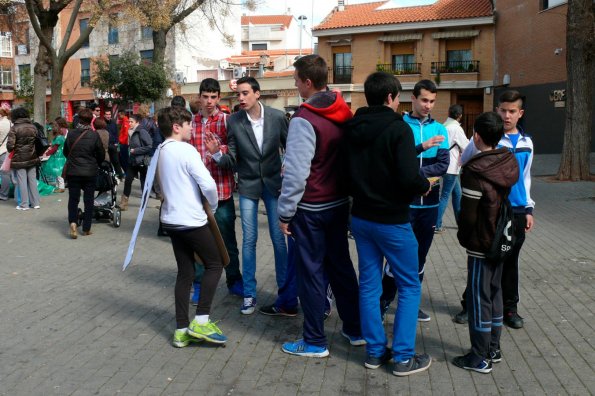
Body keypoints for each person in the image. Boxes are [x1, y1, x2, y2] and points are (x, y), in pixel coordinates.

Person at [345, 71, 433, 375]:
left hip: (361, 218)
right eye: (398, 98)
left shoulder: (351, 127)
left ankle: (374, 351)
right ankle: (403, 357)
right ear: (390, 97)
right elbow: (410, 177)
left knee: (369, 285)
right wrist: (424, 186)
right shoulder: (399, 130)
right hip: (393, 221)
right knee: (409, 285)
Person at [277, 54, 363, 357]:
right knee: (341, 267)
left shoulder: (304, 119)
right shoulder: (344, 111)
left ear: (308, 82)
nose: (296, 85)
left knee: (311, 273)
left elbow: (297, 173)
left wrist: (285, 212)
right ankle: (355, 329)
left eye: (297, 80)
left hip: (311, 208)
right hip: (339, 204)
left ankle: (314, 341)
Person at [454, 90, 535, 329]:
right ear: (497, 110)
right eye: (503, 110)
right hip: (490, 211)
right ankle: (470, 305)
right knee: (484, 260)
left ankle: (510, 309)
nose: (507, 116)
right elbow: (464, 163)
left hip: (518, 211)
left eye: (512, 111)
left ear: (520, 113)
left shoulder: (527, 142)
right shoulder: (486, 139)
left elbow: (527, 178)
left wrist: (529, 208)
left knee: (510, 262)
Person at [211, 76, 289, 315]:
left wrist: (287, 166)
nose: (241, 98)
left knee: (278, 239)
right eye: (239, 95)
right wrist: (216, 155)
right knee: (249, 239)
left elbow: (291, 146)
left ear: (257, 93)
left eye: (245, 93)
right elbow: (232, 157)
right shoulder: (234, 121)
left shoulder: (277, 117)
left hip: (274, 185)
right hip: (247, 185)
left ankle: (285, 294)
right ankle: (249, 294)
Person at [452, 112, 519, 373]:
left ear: (476, 136)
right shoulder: (507, 161)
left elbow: (468, 215)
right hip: (501, 238)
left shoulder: (474, 170)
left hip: (481, 242)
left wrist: (463, 238)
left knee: (479, 299)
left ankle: (479, 357)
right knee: (495, 293)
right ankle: (494, 347)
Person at [156, 106, 227, 348]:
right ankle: (202, 320)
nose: (191, 128)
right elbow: (207, 183)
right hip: (191, 219)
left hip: (171, 220)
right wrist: (213, 205)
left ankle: (181, 330)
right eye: (188, 124)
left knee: (185, 272)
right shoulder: (186, 150)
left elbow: (157, 186)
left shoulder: (161, 150)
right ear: (176, 127)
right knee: (215, 264)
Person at [379, 79, 449, 322]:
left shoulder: (440, 129)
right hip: (403, 204)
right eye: (424, 100)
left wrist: (411, 174)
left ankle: (410, 303)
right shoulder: (400, 125)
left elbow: (443, 164)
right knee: (396, 257)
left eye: (432, 101)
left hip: (429, 205)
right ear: (413, 99)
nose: (428, 105)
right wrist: (412, 172)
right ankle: (385, 300)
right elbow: (392, 162)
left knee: (420, 257)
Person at [188, 78, 244, 305]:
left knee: (227, 240)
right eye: (205, 97)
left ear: (219, 98)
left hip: (222, 192)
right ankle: (199, 284)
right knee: (200, 243)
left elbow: (234, 157)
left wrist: (217, 151)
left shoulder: (227, 122)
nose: (209, 101)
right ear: (199, 97)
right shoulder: (191, 124)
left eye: (213, 97)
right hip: (198, 195)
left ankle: (234, 280)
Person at [63, 108, 105, 238]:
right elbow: (101, 154)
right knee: (88, 200)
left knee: (73, 199)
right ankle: (86, 228)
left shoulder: (71, 134)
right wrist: (96, 163)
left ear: (79, 119)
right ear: (91, 120)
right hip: (90, 172)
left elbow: (66, 151)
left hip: (73, 171)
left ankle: (73, 223)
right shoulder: (94, 135)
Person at [435, 104, 469, 233]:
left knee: (457, 194)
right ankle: (436, 225)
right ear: (460, 116)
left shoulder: (444, 126)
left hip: (444, 165)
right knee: (445, 196)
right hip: (452, 166)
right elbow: (466, 146)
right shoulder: (456, 128)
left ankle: (460, 223)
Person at [6, 107, 41, 211]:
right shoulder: (33, 127)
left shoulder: (14, 128)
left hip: (19, 158)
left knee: (22, 181)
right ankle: (35, 203)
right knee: (32, 180)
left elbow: (10, 146)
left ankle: (24, 204)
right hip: (32, 156)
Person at [120, 114, 152, 211]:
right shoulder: (130, 131)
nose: (129, 123)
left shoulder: (141, 131)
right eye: (128, 121)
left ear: (137, 122)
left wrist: (135, 151)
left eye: (131, 122)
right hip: (132, 160)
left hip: (141, 160)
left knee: (143, 181)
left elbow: (149, 146)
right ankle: (124, 202)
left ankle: (144, 202)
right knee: (128, 180)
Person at [41, 120, 68, 193]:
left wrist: (46, 154)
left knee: (59, 172)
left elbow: (55, 148)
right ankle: (58, 186)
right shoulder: (60, 137)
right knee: (57, 172)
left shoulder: (59, 138)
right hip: (59, 157)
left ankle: (61, 187)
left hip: (58, 157)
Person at [104, 109, 124, 179]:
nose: (108, 116)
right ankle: (109, 176)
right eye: (107, 114)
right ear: (104, 115)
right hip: (106, 145)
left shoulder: (113, 123)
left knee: (116, 161)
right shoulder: (103, 123)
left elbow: (116, 133)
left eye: (109, 114)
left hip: (113, 144)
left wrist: (116, 142)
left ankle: (120, 175)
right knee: (107, 161)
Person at [0, 108, 11, 200]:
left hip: (1, 150)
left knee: (4, 174)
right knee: (6, 173)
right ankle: (4, 194)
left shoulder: (0, 124)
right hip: (9, 151)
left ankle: (3, 194)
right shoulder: (11, 124)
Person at [117, 110, 130, 175]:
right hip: (123, 143)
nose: (118, 116)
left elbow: (126, 134)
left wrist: (121, 141)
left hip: (124, 143)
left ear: (122, 114)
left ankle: (127, 172)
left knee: (124, 158)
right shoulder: (124, 121)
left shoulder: (125, 122)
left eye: (119, 115)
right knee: (123, 158)